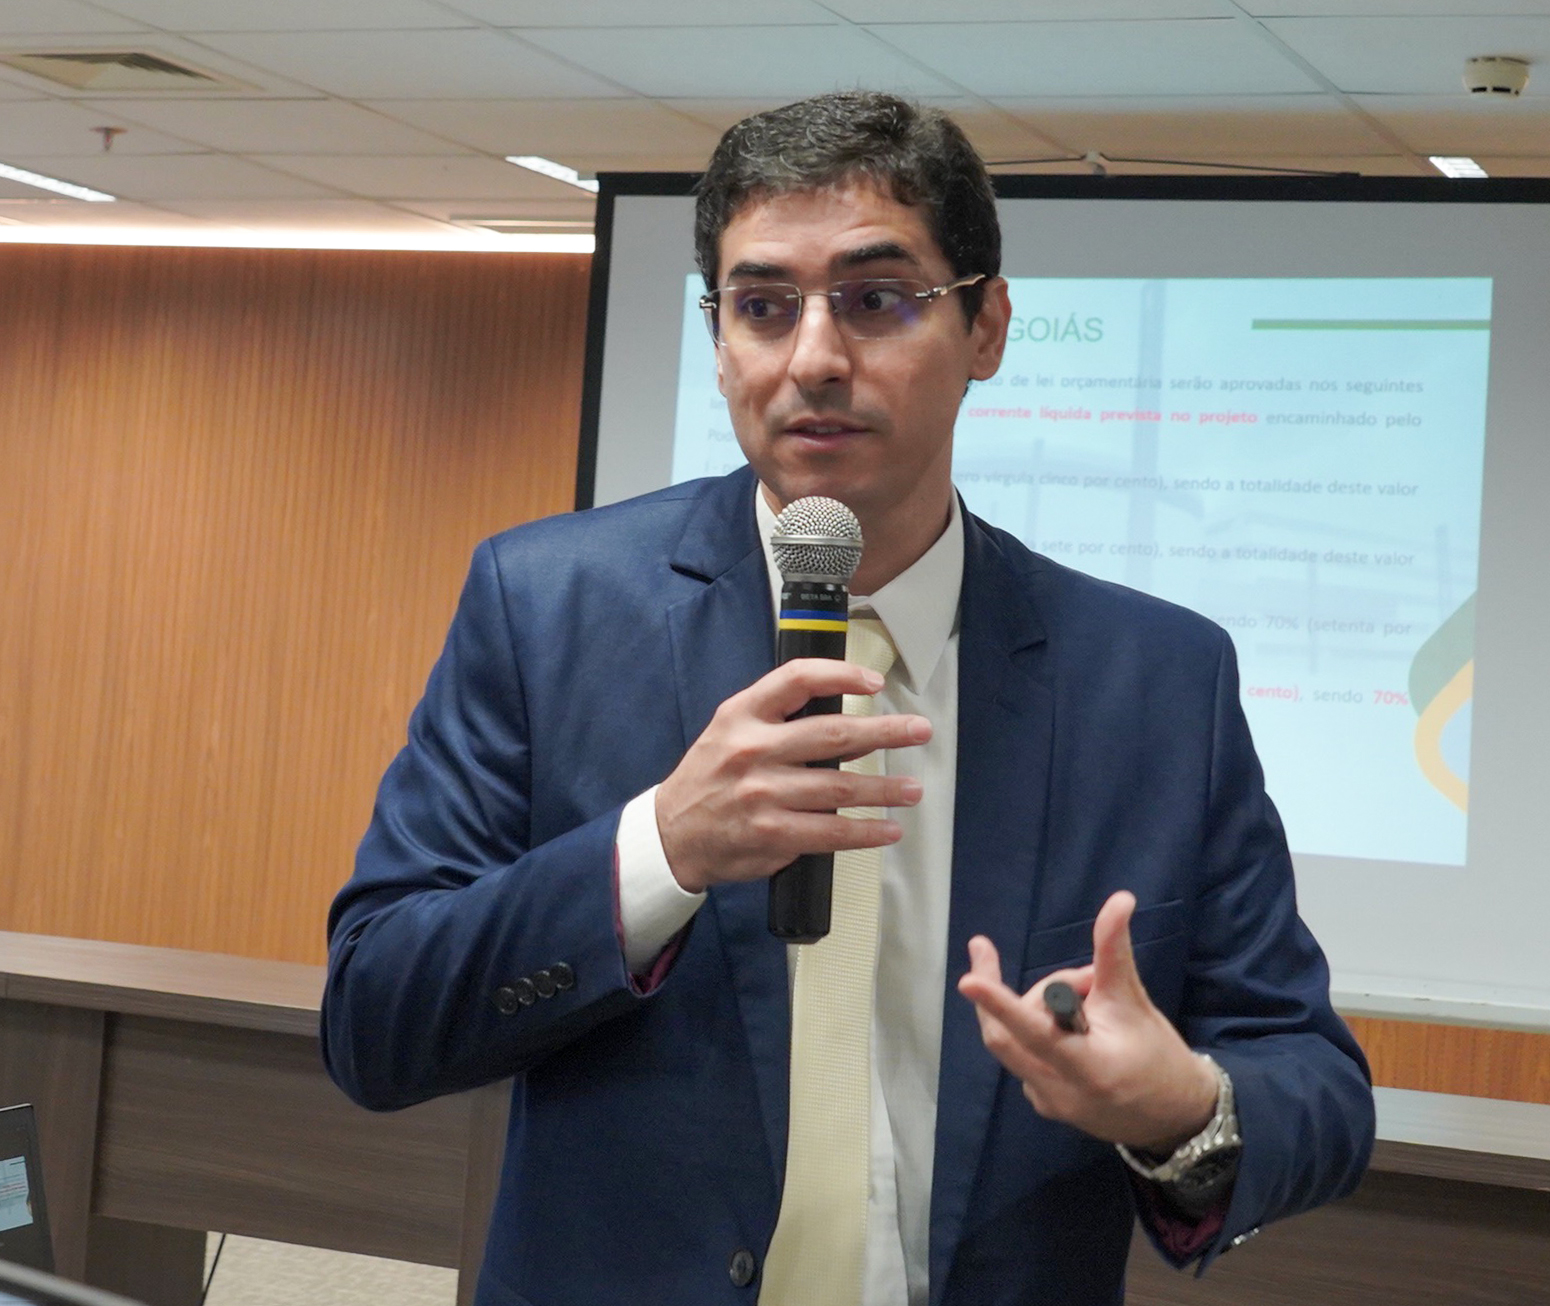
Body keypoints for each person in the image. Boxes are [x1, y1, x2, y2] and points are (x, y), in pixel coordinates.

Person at [322, 91, 1373, 1306]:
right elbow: (375, 1020)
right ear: (720, 339)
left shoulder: (1154, 679)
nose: (814, 358)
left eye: (877, 300)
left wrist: (1180, 1106)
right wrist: (657, 850)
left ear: (986, 327)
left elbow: (1316, 1087)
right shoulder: (544, 608)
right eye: (763, 306)